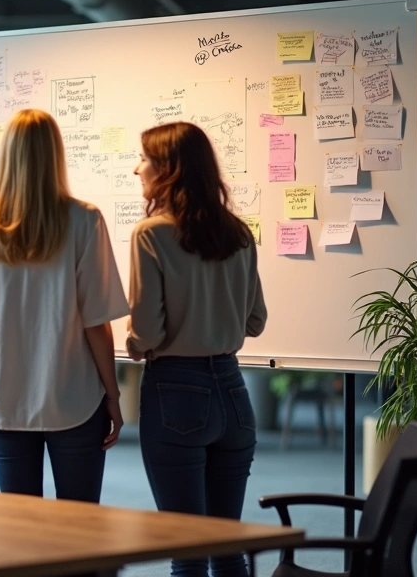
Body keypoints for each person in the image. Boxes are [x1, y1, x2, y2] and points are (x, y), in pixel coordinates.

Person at [0, 108, 127, 501]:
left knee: (19, 531)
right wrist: (112, 395)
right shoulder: (85, 220)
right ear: (55, 154)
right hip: (75, 399)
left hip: (4, 403)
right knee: (78, 527)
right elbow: (96, 323)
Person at [127, 121, 267, 577]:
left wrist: (133, 342)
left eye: (145, 159)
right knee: (228, 548)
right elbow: (256, 321)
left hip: (176, 394)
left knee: (188, 554)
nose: (137, 168)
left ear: (168, 169)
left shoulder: (151, 234)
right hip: (232, 391)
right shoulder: (239, 233)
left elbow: (146, 333)